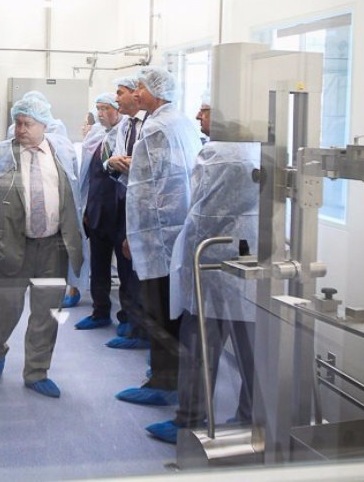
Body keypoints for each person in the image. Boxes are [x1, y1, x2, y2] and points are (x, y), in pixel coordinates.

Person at [146, 140, 259, 443]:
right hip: (250, 263)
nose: (199, 117)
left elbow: (203, 213)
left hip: (211, 264)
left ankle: (190, 421)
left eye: (206, 114)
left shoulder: (219, 155)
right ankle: (250, 419)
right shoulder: (259, 150)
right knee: (251, 349)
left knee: (199, 348)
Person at [0, 96, 84, 398]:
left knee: (47, 313)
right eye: (18, 123)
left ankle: (37, 372)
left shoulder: (62, 155)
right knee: (3, 309)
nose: (20, 129)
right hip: (11, 245)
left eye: (28, 124)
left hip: (53, 248)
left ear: (44, 125)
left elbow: (75, 197)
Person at [116, 66, 203, 407]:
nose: (136, 93)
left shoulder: (155, 128)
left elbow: (144, 188)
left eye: (140, 87)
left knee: (159, 313)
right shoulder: (181, 123)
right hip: (179, 230)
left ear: (157, 91)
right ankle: (168, 378)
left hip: (158, 234)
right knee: (172, 312)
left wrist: (133, 234)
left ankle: (163, 383)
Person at [100, 76, 148, 347]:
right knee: (127, 265)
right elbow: (116, 160)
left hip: (145, 204)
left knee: (143, 271)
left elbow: (143, 165)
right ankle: (129, 319)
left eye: (120, 93)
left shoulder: (151, 125)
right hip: (125, 199)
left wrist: (128, 163)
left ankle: (141, 329)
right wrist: (113, 162)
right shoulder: (125, 128)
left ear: (135, 94)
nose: (116, 98)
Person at [74, 93, 128, 331]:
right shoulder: (97, 137)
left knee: (126, 270)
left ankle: (128, 319)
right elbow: (89, 178)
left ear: (118, 110)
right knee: (99, 266)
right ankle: (100, 312)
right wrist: (86, 210)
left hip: (120, 214)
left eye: (106, 108)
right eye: (98, 108)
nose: (101, 113)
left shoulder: (128, 136)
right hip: (97, 212)